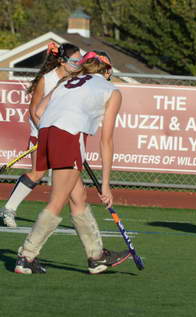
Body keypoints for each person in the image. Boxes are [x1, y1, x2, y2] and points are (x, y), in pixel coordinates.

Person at [14, 50, 129, 274]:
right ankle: (26, 257)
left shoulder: (67, 80)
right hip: (68, 136)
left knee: (78, 198)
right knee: (57, 201)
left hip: (46, 133)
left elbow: (38, 111)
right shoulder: (112, 91)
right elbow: (106, 141)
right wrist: (106, 184)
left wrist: (56, 131)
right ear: (107, 71)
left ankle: (96, 256)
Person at [0, 42, 82, 227]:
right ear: (62, 61)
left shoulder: (78, 80)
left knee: (68, 176)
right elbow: (34, 109)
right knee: (38, 173)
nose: (79, 64)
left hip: (64, 134)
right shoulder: (47, 79)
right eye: (75, 60)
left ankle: (78, 218)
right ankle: (9, 210)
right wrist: (46, 133)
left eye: (80, 60)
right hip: (41, 132)